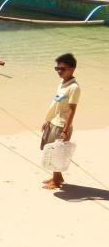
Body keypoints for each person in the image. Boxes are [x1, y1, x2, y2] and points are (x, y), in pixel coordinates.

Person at [40, 53, 80, 190]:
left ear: (72, 69)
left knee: (56, 153)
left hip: (62, 125)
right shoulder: (62, 84)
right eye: (57, 68)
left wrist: (65, 130)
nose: (59, 71)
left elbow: (72, 110)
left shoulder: (74, 88)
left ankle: (56, 181)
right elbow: (56, 104)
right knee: (51, 150)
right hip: (54, 122)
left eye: (62, 69)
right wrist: (47, 120)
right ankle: (57, 177)